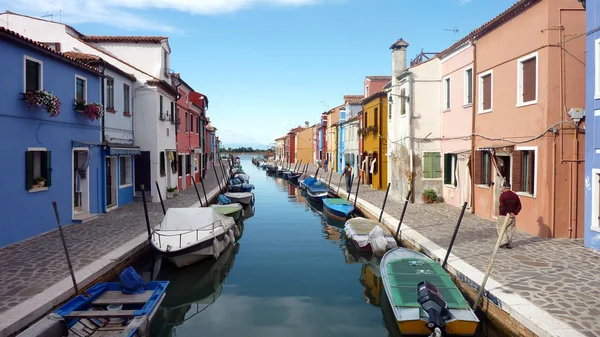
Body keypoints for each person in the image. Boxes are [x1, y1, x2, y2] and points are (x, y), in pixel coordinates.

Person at [498, 182, 522, 249]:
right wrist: (515, 213)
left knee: (500, 227)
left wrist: (507, 212)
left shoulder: (503, 195)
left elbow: (502, 206)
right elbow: (519, 206)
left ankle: (505, 241)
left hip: (503, 215)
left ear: (504, 188)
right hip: (512, 215)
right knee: (510, 229)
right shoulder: (515, 195)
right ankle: (509, 243)